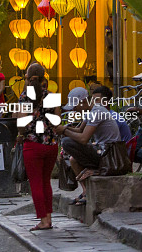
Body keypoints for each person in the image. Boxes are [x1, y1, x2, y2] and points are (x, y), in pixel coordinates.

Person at [57, 85, 122, 206]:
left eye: (75, 107)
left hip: (109, 155)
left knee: (66, 142)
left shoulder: (97, 112)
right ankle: (86, 191)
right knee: (72, 160)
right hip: (102, 151)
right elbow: (80, 130)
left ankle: (94, 169)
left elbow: (83, 139)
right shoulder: (91, 111)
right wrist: (65, 128)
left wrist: (64, 131)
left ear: (82, 102)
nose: (74, 110)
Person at [17, 63, 60, 232]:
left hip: (32, 144)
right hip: (51, 144)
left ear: (27, 78)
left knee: (35, 183)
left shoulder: (25, 97)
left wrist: (21, 134)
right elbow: (57, 121)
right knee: (46, 182)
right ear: (44, 78)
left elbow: (21, 123)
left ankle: (43, 220)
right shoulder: (52, 96)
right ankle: (48, 218)